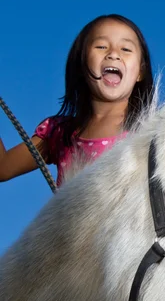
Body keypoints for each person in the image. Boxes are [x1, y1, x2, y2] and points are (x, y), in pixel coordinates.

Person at [0, 14, 154, 187]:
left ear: (140, 72)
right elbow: (3, 168)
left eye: (126, 49)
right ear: (81, 65)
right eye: (101, 46)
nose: (113, 54)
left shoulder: (150, 131)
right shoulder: (59, 133)